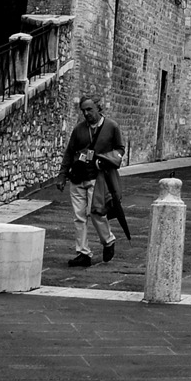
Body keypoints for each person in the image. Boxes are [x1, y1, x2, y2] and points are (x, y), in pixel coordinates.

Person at [59, 95, 124, 267]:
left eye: (89, 109)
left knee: (95, 212)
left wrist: (105, 159)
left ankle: (108, 240)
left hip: (97, 177)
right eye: (83, 110)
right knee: (78, 217)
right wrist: (62, 175)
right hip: (77, 177)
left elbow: (120, 149)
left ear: (98, 108)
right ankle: (83, 253)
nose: (86, 113)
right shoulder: (79, 129)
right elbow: (69, 152)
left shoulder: (111, 127)